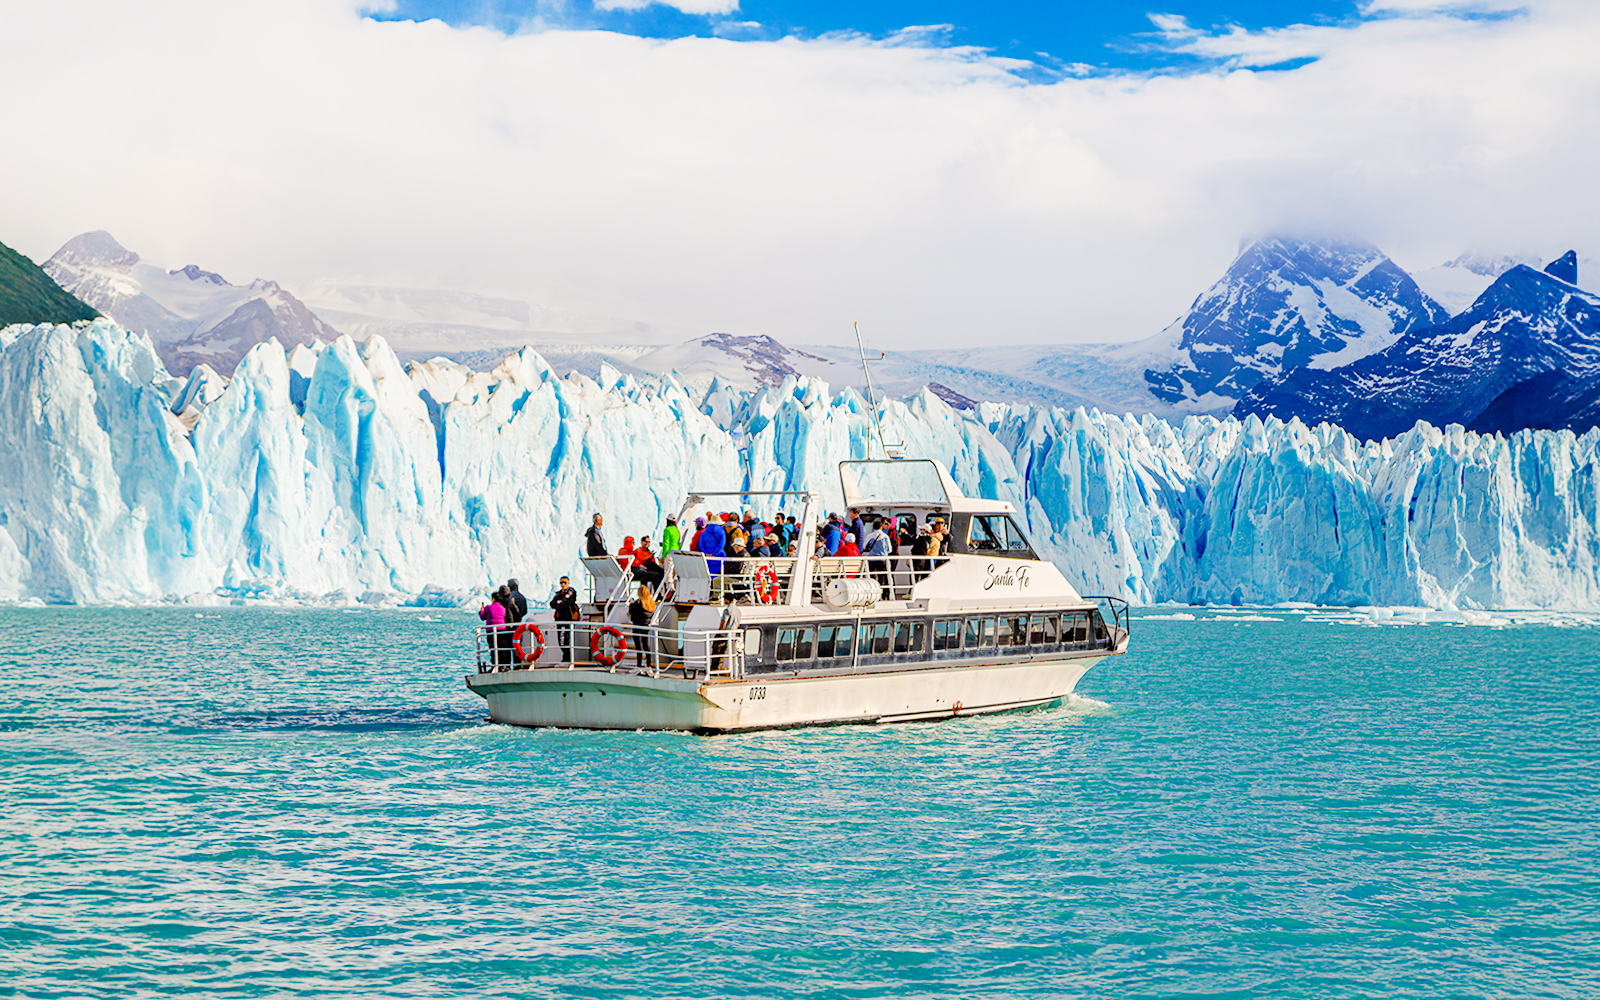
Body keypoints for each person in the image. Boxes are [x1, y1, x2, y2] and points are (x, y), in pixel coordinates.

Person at [550, 576, 581, 663]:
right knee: (561, 640)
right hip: (559, 620)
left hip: (567, 620)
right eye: (561, 583)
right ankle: (566, 656)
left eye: (564, 582)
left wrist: (559, 603)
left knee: (566, 639)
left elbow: (566, 603)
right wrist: (558, 603)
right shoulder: (558, 594)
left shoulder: (571, 592)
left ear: (568, 583)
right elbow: (552, 604)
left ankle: (567, 658)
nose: (563, 584)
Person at [627, 582, 656, 672]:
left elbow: (632, 612)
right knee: (646, 645)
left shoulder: (638, 602)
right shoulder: (651, 602)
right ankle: (648, 666)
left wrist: (631, 604)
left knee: (638, 646)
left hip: (637, 625)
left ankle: (639, 666)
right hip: (646, 625)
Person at [479, 585, 511, 668]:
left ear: (493, 599)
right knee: (501, 648)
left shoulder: (488, 608)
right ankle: (503, 665)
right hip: (502, 630)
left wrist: (481, 611)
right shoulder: (502, 608)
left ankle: (495, 665)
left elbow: (482, 617)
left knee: (493, 648)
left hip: (491, 631)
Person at [863, 518, 893, 592]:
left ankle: (873, 591)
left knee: (872, 576)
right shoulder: (885, 536)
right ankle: (882, 592)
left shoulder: (870, 536)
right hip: (882, 559)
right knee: (882, 576)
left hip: (872, 559)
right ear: (881, 527)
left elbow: (864, 546)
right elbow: (889, 550)